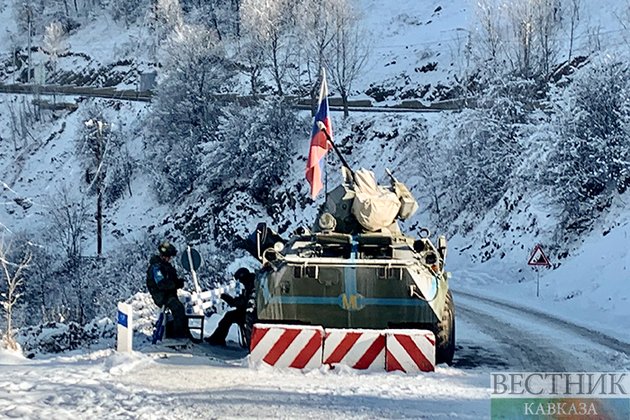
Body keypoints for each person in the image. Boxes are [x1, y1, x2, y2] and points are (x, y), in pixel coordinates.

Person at [146, 240, 189, 339]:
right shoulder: (156, 267)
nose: (169, 259)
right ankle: (178, 336)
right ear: (163, 256)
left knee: (180, 308)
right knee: (178, 309)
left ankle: (184, 333)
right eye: (168, 257)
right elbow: (161, 284)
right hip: (162, 296)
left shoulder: (165, 266)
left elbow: (169, 279)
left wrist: (178, 282)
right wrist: (176, 284)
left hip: (168, 294)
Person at [205, 267, 255, 346]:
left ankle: (218, 339)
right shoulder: (251, 284)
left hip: (250, 314)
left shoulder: (252, 286)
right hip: (247, 311)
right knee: (229, 316)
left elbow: (244, 302)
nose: (241, 282)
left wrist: (230, 300)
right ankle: (217, 338)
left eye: (240, 280)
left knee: (229, 316)